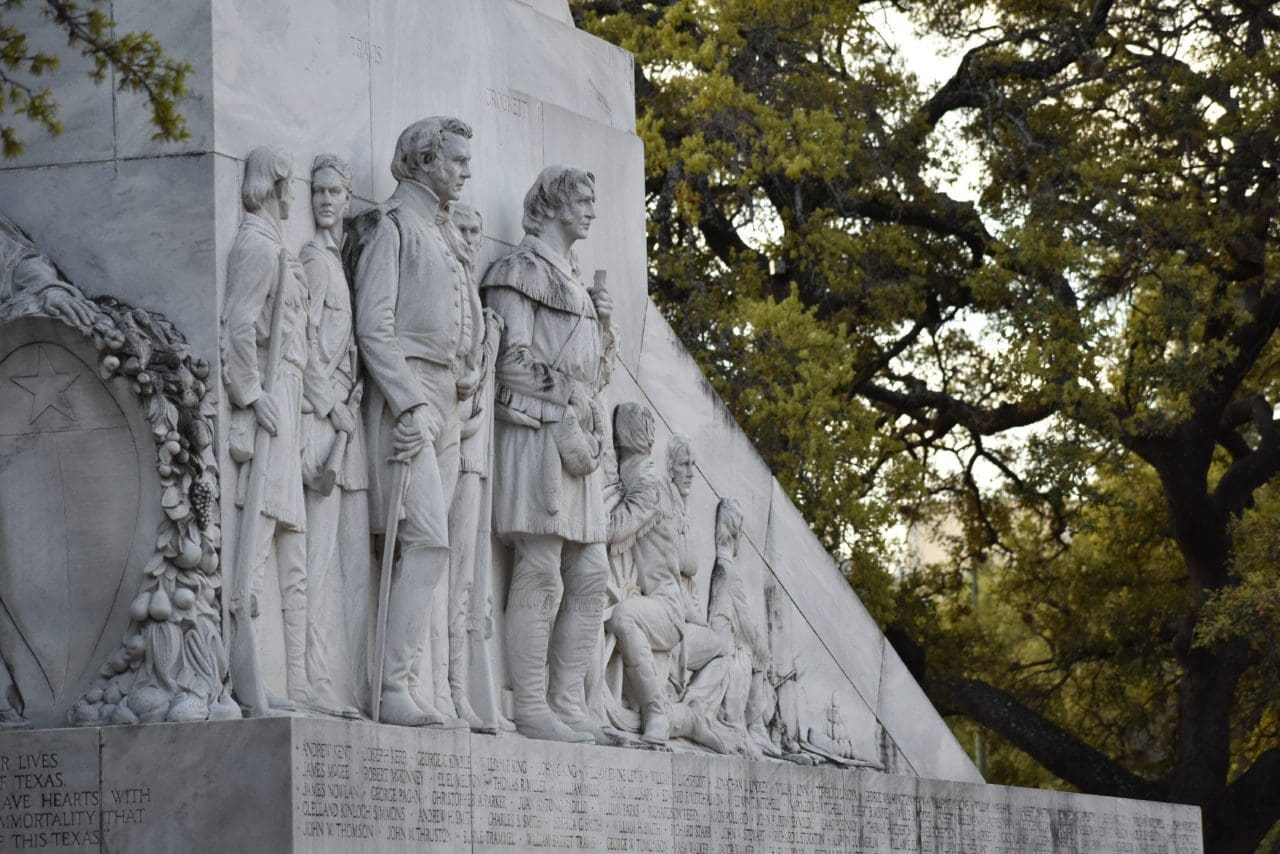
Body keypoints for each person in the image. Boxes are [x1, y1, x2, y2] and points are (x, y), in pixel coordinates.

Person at [349, 116, 483, 727]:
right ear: (425, 161)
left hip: (448, 400)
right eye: (456, 160)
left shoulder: (443, 233)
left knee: (432, 546)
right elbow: (374, 325)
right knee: (426, 540)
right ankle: (392, 686)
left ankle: (408, 682)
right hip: (410, 400)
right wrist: (408, 402)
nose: (465, 171)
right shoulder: (394, 226)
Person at [481, 165, 616, 742]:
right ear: (554, 205)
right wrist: (567, 397)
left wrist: (603, 326)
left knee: (591, 574)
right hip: (536, 435)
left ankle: (568, 703)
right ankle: (532, 705)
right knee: (540, 569)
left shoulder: (579, 287)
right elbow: (508, 359)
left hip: (577, 439)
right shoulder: (517, 271)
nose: (590, 209)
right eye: (582, 200)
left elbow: (599, 375)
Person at [221, 146, 310, 714]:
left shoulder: (275, 246)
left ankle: (282, 676)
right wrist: (252, 395)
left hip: (290, 389)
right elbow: (237, 324)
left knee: (282, 532)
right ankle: (244, 668)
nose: (293, 194)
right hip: (271, 395)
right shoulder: (257, 246)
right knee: (259, 532)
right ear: (274, 186)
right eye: (289, 184)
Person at [299, 154, 370, 718]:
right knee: (313, 564)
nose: (325, 200)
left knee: (333, 562)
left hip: (338, 421)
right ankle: (309, 679)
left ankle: (328, 677)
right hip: (319, 427)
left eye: (333, 192)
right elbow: (301, 347)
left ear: (347, 198)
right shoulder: (314, 262)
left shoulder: (335, 261)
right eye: (317, 191)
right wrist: (331, 405)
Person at [604, 407, 697, 745]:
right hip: (648, 598)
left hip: (667, 610)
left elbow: (615, 530)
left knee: (624, 617)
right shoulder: (634, 473)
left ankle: (656, 711)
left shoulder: (648, 483)